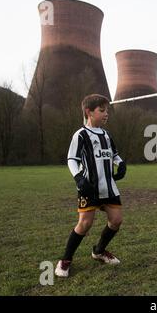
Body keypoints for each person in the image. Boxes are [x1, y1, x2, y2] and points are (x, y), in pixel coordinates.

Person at [55, 94, 127, 278]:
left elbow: (114, 154)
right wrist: (79, 178)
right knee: (85, 224)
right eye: (101, 110)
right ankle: (65, 261)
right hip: (89, 187)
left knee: (116, 220)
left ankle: (99, 251)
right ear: (89, 112)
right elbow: (72, 159)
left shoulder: (107, 134)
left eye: (107, 111)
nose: (106, 114)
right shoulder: (81, 135)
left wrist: (121, 163)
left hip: (109, 187)